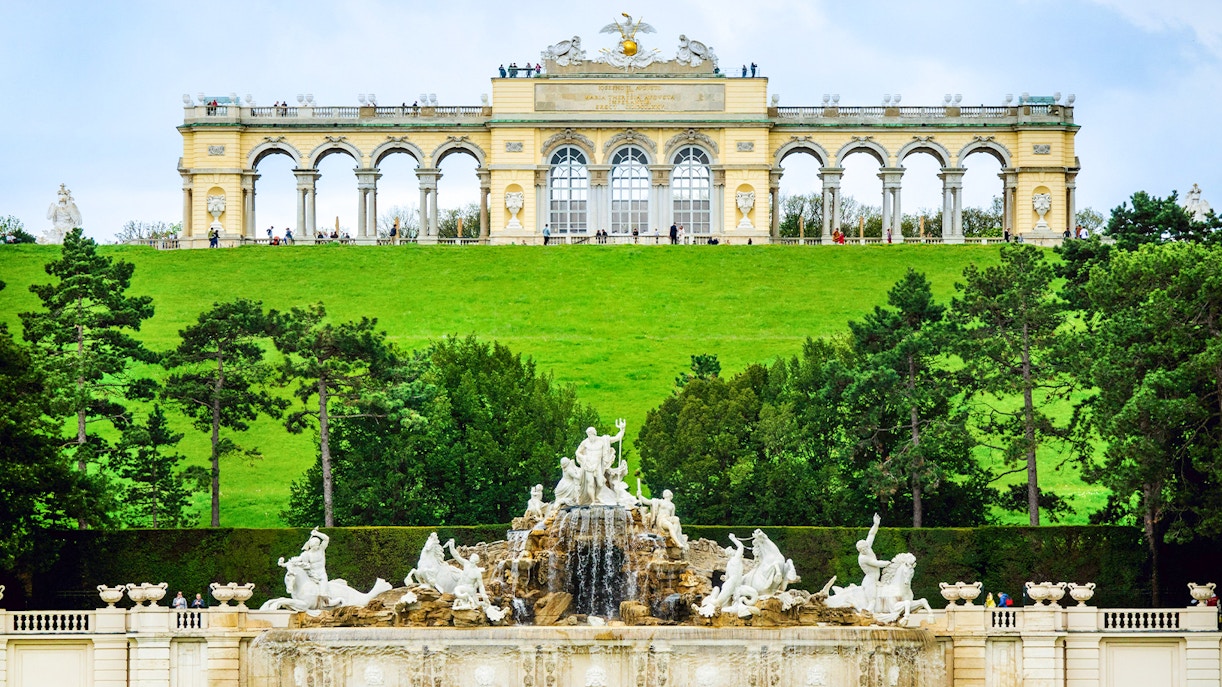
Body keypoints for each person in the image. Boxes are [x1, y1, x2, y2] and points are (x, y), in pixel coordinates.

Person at [856, 513, 890, 613]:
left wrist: (876, 524)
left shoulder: (868, 548)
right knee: (873, 600)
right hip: (870, 580)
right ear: (860, 551)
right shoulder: (863, 558)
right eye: (863, 550)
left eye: (866, 548)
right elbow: (876, 563)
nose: (865, 550)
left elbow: (871, 534)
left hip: (876, 578)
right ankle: (867, 613)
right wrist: (888, 563)